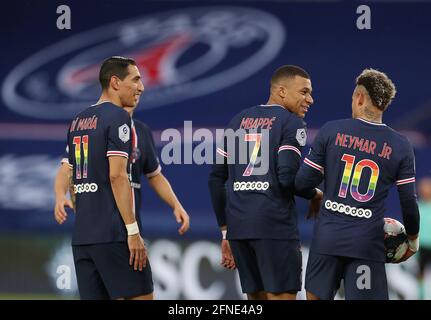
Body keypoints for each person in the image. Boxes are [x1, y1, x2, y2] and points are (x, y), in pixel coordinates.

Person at [53, 56, 189, 300]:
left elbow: (71, 171)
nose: (142, 87)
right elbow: (117, 176)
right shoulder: (117, 118)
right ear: (115, 82)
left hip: (84, 237)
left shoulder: (78, 122)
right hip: (115, 234)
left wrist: (63, 196)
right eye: (136, 79)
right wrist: (133, 231)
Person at [295, 68, 420, 300]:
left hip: (327, 240)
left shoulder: (332, 131)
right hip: (366, 245)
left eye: (353, 97)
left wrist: (318, 195)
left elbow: (301, 184)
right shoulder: (401, 146)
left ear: (360, 98)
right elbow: (408, 202)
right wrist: (412, 240)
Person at [208, 65, 323, 300]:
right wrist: (315, 194)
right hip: (273, 226)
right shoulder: (291, 123)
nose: (310, 99)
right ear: (281, 91)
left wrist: (225, 232)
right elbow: (287, 179)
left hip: (239, 230)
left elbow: (216, 179)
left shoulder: (236, 121)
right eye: (304, 92)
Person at [417, 177, 431, 299]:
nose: (425, 190)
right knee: (420, 274)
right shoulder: (417, 208)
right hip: (421, 248)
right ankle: (420, 296)